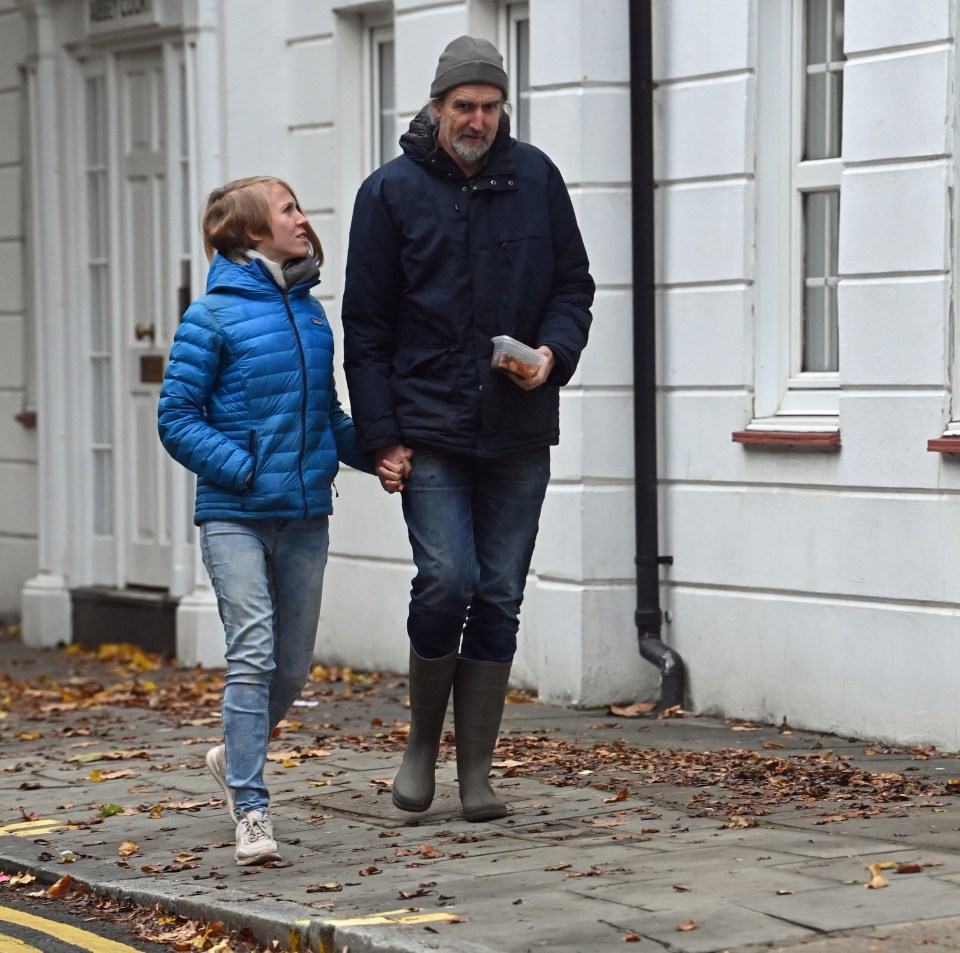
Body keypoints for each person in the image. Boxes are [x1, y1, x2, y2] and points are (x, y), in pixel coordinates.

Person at [341, 36, 594, 822]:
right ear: (436, 106)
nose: (477, 120)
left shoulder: (538, 179)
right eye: (463, 107)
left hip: (518, 425)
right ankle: (422, 743)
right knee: (446, 579)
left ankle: (476, 769)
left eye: (489, 106)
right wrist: (381, 435)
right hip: (430, 428)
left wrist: (553, 353)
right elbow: (366, 325)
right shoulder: (388, 193)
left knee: (499, 593)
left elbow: (574, 286)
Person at [158, 175, 407, 865]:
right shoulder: (210, 316)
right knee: (253, 650)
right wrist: (243, 469)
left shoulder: (309, 314)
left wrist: (379, 452)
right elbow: (175, 418)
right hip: (234, 512)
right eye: (288, 209)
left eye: (298, 206)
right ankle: (252, 806)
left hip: (303, 516)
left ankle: (232, 753)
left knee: (291, 668)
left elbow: (326, 418)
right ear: (250, 232)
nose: (303, 218)